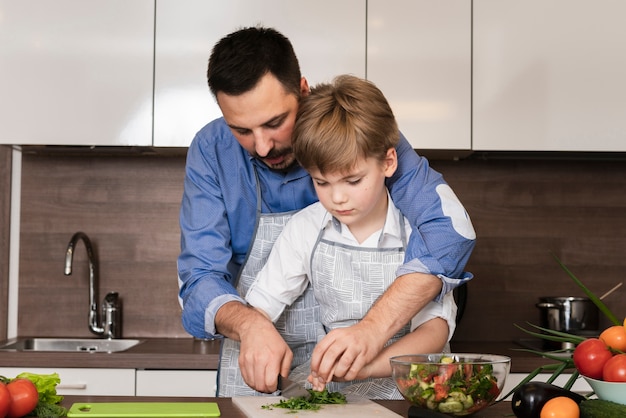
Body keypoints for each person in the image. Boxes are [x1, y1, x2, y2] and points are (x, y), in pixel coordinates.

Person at [177, 26, 476, 397]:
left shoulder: (358, 132)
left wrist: (370, 333)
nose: (263, 146)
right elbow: (198, 279)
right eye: (242, 130)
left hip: (369, 373)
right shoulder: (211, 151)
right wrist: (250, 324)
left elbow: (450, 232)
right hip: (266, 362)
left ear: (302, 91)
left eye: (274, 123)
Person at [245, 75, 457, 399]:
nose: (337, 198)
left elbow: (435, 330)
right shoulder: (305, 229)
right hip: (336, 401)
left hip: (412, 398)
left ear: (388, 162)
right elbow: (260, 307)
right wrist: (255, 335)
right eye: (322, 182)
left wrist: (367, 366)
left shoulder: (419, 229)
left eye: (352, 180)